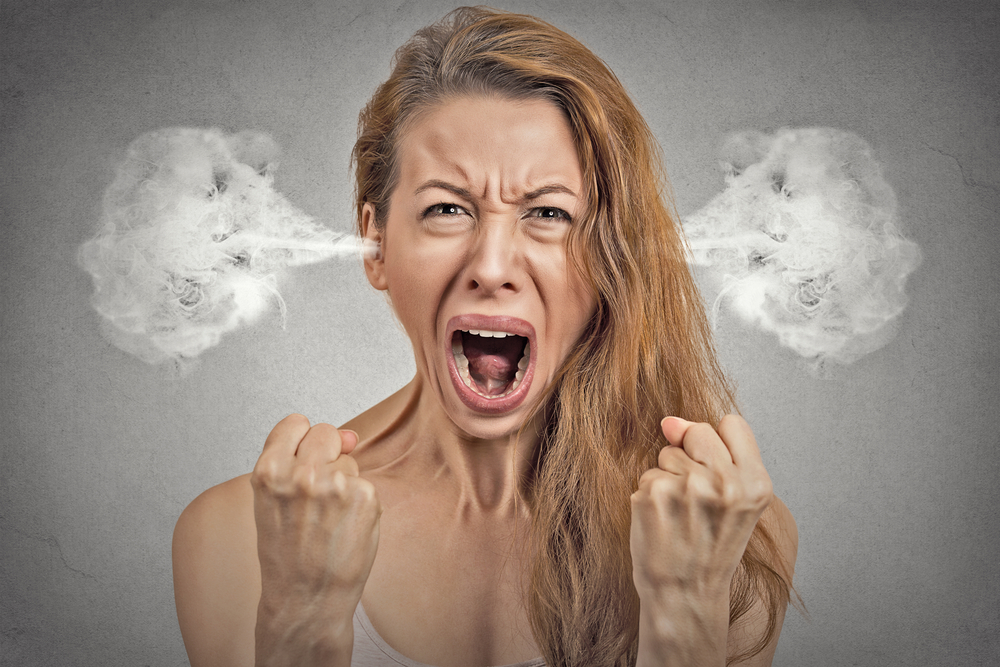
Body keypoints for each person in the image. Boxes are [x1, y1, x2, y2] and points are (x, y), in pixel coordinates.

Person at [172, 7, 797, 667]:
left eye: (549, 213)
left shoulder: (728, 536)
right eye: (448, 209)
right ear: (376, 243)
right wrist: (300, 622)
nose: (493, 267)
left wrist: (687, 613)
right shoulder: (238, 538)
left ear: (615, 256)